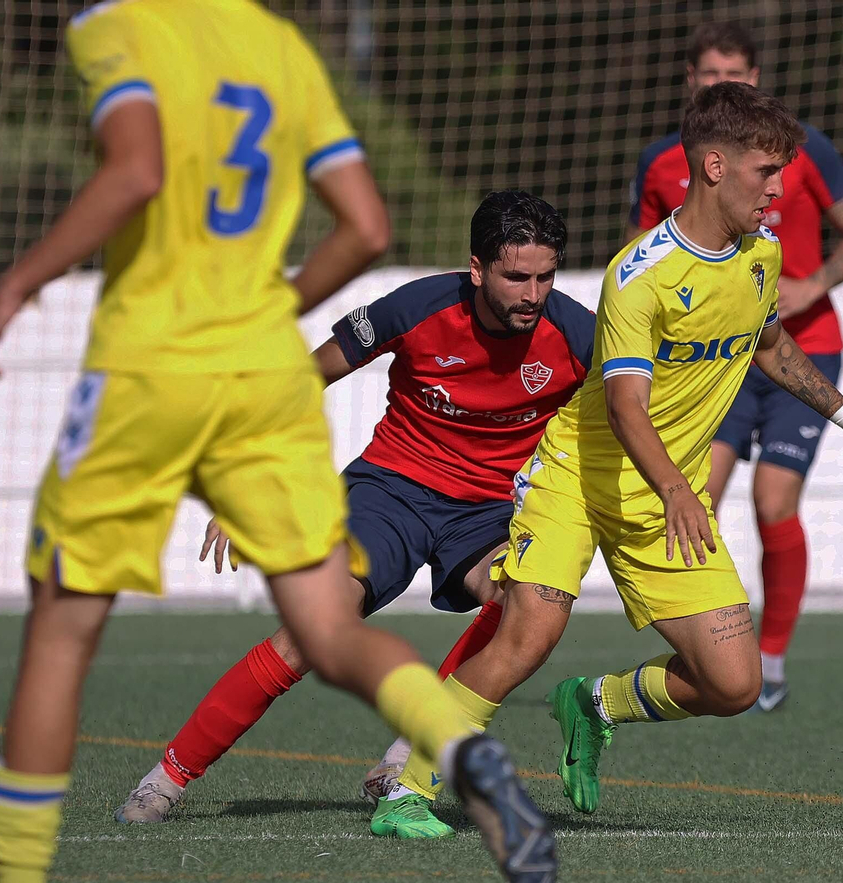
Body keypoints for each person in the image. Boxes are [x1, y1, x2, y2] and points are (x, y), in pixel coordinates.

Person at [0, 4, 555, 883]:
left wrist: (19, 281)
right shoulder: (279, 46)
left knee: (60, 634)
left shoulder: (116, 26)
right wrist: (260, 319)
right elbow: (365, 226)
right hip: (280, 401)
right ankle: (458, 751)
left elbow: (135, 170)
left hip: (151, 367)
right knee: (326, 630)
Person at [373, 81, 843, 830]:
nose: (779, 190)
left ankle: (595, 704)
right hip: (581, 477)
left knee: (733, 683)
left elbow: (771, 346)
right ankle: (410, 790)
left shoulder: (762, 256)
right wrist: (680, 490)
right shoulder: (639, 273)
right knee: (529, 631)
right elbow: (625, 404)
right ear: (715, 166)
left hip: (664, 494)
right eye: (766, 173)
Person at [113, 191, 594, 846]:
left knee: (525, 605)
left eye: (545, 276)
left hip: (488, 512)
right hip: (389, 493)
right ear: (477, 267)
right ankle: (165, 778)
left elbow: (635, 404)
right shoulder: (416, 307)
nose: (532, 293)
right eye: (516, 276)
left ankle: (412, 750)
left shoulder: (577, 334)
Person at [627, 22, 843, 711]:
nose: (725, 85)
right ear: (690, 80)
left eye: (736, 73)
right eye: (712, 74)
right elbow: (642, 255)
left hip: (800, 344)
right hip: (714, 356)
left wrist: (812, 285)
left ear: (757, 75)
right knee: (694, 496)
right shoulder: (663, 163)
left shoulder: (802, 149)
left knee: (774, 501)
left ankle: (768, 659)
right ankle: (703, 654)